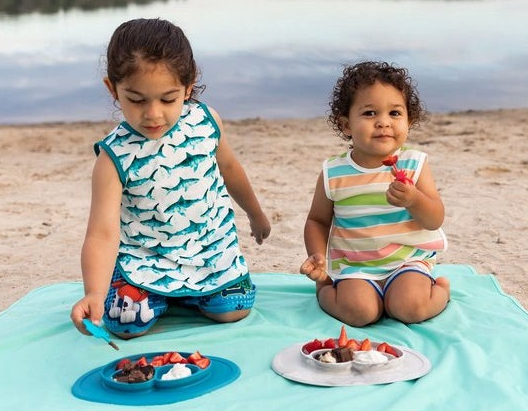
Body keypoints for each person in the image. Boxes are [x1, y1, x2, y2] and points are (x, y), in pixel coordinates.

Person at [70, 17, 271, 339]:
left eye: (168, 99)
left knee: (234, 310)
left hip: (209, 251)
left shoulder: (206, 121)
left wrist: (255, 213)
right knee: (124, 325)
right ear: (112, 89)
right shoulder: (113, 157)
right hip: (145, 258)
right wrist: (93, 292)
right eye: (136, 100)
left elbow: (230, 169)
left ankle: (189, 293)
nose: (153, 114)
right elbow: (102, 234)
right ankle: (150, 291)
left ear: (188, 88)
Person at [300, 61, 450, 326]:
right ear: (346, 125)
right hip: (357, 267)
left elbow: (434, 219)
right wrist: (317, 256)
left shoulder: (414, 164)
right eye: (370, 113)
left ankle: (441, 289)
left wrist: (414, 199)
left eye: (394, 113)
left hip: (406, 262)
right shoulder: (334, 172)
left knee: (409, 309)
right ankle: (324, 289)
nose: (383, 123)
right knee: (359, 313)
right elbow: (317, 221)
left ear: (409, 121)